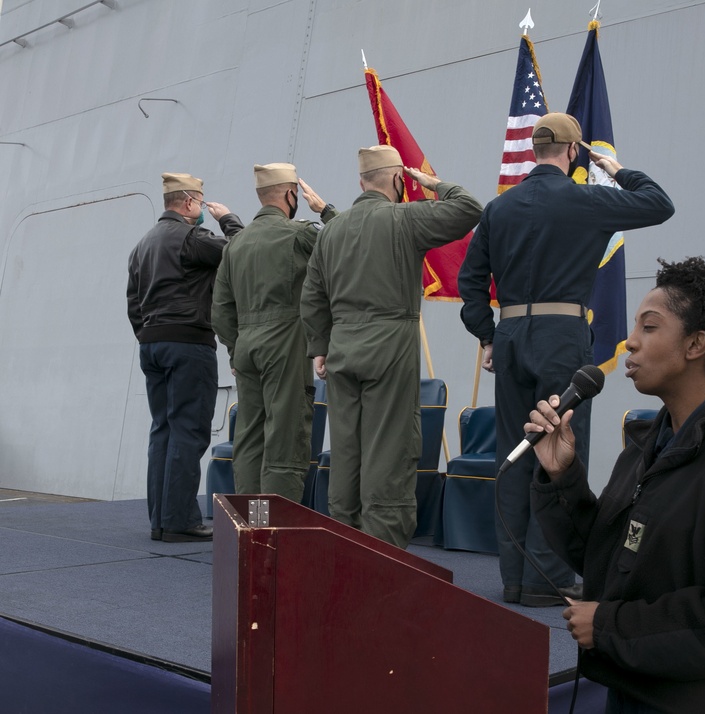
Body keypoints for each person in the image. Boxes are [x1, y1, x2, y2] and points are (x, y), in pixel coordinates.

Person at [527, 257, 705, 713]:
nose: (630, 341)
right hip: (639, 691)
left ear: (696, 344)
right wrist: (561, 475)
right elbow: (606, 558)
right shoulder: (650, 446)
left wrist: (612, 626)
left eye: (649, 327)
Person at [457, 112, 675, 607]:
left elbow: (469, 282)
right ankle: (548, 577)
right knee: (559, 449)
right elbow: (659, 204)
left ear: (534, 150)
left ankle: (514, 577)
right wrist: (617, 170)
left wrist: (487, 336)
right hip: (562, 335)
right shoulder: (586, 198)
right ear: (574, 153)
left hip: (510, 335)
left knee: (512, 454)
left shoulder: (499, 208)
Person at [300, 146, 482, 548]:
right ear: (400, 180)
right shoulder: (405, 219)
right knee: (391, 446)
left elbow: (312, 296)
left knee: (346, 449)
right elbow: (469, 208)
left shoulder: (331, 230)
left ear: (360, 182)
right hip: (390, 347)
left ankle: (344, 539)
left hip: (341, 351)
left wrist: (320, 347)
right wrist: (433, 183)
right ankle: (381, 549)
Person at [127, 172, 244, 542]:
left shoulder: (142, 245)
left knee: (162, 428)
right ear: (190, 203)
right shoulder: (193, 238)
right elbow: (242, 255)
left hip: (152, 344)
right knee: (189, 430)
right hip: (188, 344)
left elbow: (133, 302)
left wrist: (147, 334)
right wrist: (229, 220)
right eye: (202, 201)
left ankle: (160, 520)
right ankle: (179, 520)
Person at [212, 163, 338, 503]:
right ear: (290, 194)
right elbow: (345, 244)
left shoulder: (236, 245)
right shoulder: (297, 234)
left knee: (250, 437)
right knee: (286, 435)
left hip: (246, 347)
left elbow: (221, 308)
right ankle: (277, 530)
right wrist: (327, 212)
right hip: (285, 342)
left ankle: (250, 528)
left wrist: (234, 350)